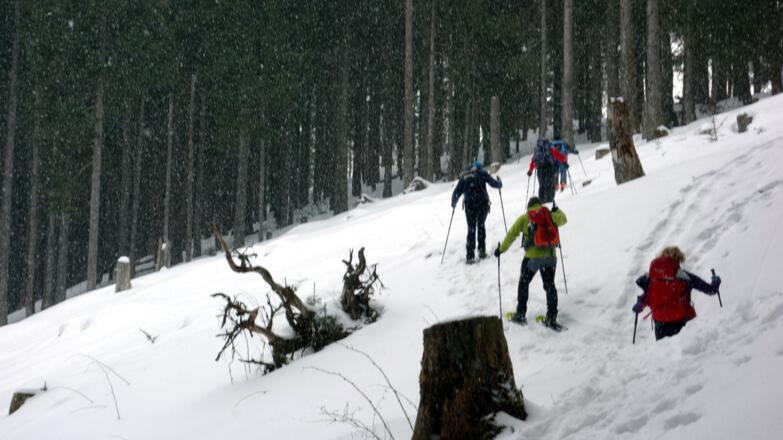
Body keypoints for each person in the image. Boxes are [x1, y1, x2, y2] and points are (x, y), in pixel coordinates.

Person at [494, 197, 567, 329]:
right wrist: (557, 210)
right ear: (540, 204)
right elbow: (564, 219)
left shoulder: (525, 217)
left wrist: (501, 249)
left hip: (532, 259)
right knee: (550, 285)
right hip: (550, 258)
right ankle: (551, 317)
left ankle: (520, 314)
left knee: (524, 283)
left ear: (529, 206)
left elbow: (511, 234)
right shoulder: (549, 214)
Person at [632, 246, 722, 340]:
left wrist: (640, 304)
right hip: (680, 319)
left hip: (659, 322)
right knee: (685, 350)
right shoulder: (685, 276)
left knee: (664, 351)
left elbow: (649, 295)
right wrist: (716, 281)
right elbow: (711, 290)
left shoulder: (651, 277)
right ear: (678, 259)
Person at [451, 160, 502, 264]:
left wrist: (454, 202)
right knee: (481, 225)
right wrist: (499, 183)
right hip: (482, 203)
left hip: (469, 205)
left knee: (471, 228)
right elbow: (493, 184)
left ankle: (470, 256)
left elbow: (457, 191)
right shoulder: (482, 173)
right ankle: (481, 251)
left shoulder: (464, 176)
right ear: (479, 167)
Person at [527, 138, 567, 203]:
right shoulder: (550, 149)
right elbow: (559, 155)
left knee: (542, 185)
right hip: (549, 169)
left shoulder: (537, 151)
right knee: (550, 185)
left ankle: (541, 200)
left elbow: (533, 161)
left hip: (540, 170)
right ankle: (550, 200)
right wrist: (564, 162)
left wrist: (530, 171)